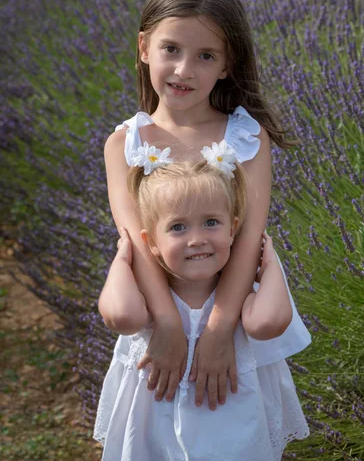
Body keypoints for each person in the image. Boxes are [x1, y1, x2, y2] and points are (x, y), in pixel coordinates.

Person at [100, 0, 310, 410]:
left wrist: (218, 331)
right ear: (144, 48)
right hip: (157, 320)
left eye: (205, 56)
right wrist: (166, 324)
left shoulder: (247, 138)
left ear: (227, 63)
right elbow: (135, 244)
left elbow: (249, 238)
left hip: (230, 317)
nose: (183, 70)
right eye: (170, 49)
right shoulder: (125, 144)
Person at [94, 154, 310, 460]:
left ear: (233, 229)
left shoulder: (240, 298)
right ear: (151, 241)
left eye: (211, 223)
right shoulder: (149, 299)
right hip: (158, 428)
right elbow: (120, 315)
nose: (197, 239)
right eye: (178, 227)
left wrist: (269, 262)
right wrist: (123, 257)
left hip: (231, 428)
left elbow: (270, 322)